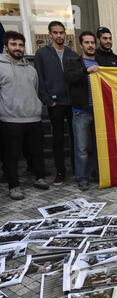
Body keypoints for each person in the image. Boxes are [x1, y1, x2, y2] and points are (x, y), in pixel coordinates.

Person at [0, 31, 49, 200]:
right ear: (6, 46)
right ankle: (14, 186)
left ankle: (40, 178)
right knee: (11, 156)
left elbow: (34, 91)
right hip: (10, 119)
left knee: (36, 152)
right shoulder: (0, 66)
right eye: (14, 44)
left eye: (21, 45)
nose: (18, 48)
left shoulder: (31, 69)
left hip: (33, 118)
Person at [34, 21, 78, 186]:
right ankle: (60, 172)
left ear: (65, 34)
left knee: (75, 138)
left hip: (72, 103)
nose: (59, 35)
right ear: (50, 34)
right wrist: (48, 101)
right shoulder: (42, 54)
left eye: (61, 32)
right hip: (55, 104)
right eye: (55, 32)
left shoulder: (72, 54)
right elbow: (39, 79)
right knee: (58, 139)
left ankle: (76, 169)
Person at [64, 31, 100, 191]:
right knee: (82, 147)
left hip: (99, 111)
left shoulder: (101, 62)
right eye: (87, 42)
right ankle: (82, 177)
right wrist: (86, 71)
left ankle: (96, 173)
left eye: (92, 42)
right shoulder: (74, 62)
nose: (90, 45)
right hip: (81, 111)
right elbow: (70, 78)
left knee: (99, 145)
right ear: (81, 44)